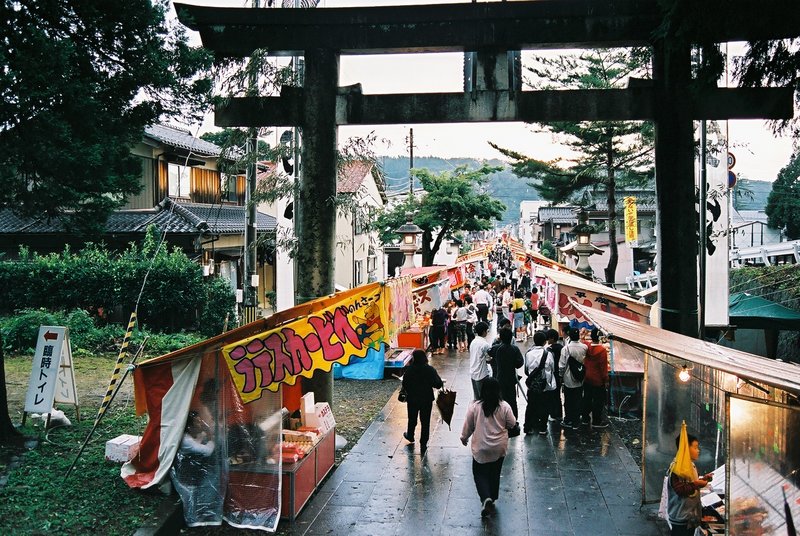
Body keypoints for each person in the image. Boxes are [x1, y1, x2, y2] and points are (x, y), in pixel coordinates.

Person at [460, 377, 517, 517]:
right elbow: (512, 423)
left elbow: (469, 425)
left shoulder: (475, 407)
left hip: (481, 447)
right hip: (499, 447)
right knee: (495, 472)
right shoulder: (504, 407)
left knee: (479, 473)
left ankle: (486, 498)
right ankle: (492, 496)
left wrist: (464, 437)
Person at [171, 410, 221, 525]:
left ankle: (197, 516)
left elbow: (195, 443)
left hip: (190, 469)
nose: (200, 423)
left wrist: (203, 435)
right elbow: (207, 451)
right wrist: (213, 439)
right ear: (190, 424)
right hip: (186, 473)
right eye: (197, 422)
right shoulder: (185, 439)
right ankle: (193, 520)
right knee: (191, 494)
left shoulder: (186, 435)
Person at [667, 434, 713, 535]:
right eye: (695, 447)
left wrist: (703, 479)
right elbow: (680, 490)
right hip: (680, 518)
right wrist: (696, 484)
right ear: (686, 449)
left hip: (689, 516)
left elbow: (690, 482)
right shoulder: (677, 469)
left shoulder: (690, 465)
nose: (698, 450)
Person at [401, 349, 444, 452]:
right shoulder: (429, 370)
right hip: (426, 399)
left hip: (412, 399)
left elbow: (405, 384)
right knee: (425, 421)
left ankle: (410, 435)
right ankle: (423, 442)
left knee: (412, 419)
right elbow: (438, 384)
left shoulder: (409, 370)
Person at [487, 328, 523, 433]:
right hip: (511, 379)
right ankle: (513, 422)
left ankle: (499, 421)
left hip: (499, 379)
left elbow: (488, 355)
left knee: (499, 401)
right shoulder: (515, 349)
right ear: (511, 337)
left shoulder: (495, 348)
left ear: (500, 337)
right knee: (512, 401)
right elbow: (520, 363)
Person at [524, 331, 557, 435]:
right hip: (545, 385)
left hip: (533, 385)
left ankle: (528, 427)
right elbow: (552, 368)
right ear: (544, 342)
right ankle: (543, 428)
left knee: (530, 406)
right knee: (544, 406)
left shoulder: (528, 354)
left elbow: (526, 370)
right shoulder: (549, 354)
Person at [558, 327, 587, 429]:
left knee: (568, 400)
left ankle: (568, 419)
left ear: (569, 336)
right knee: (578, 399)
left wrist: (560, 377)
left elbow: (561, 366)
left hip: (568, 378)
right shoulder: (584, 347)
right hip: (580, 377)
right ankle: (576, 420)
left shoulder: (565, 349)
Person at [581, 328, 610, 428]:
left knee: (587, 398)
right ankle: (596, 421)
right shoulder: (602, 350)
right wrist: (606, 380)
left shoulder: (587, 346)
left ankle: (585, 419)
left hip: (587, 377)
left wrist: (583, 335)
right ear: (600, 337)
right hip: (597, 379)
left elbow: (582, 341)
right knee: (598, 400)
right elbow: (603, 367)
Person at [469, 321, 492, 399]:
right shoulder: (485, 344)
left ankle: (476, 411)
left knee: (476, 398)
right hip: (482, 374)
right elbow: (488, 359)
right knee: (483, 398)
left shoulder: (473, 342)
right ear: (484, 332)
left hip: (473, 372)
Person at [545, 329, 564, 423]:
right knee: (558, 395)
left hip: (552, 374)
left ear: (552, 338)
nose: (547, 340)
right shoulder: (562, 348)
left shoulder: (550, 350)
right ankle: (559, 414)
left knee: (552, 395)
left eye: (548, 338)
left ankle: (553, 414)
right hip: (560, 375)